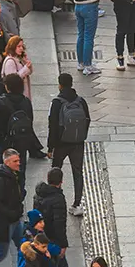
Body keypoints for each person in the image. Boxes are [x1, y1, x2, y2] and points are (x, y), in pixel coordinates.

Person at [48, 73, 90, 209]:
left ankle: (55, 199)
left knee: (56, 170)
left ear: (60, 85)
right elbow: (87, 120)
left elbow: (52, 126)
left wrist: (50, 147)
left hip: (61, 143)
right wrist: (81, 136)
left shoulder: (57, 102)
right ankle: (77, 204)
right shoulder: (81, 101)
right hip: (78, 143)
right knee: (78, 172)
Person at [68, 0, 107, 74]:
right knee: (89, 37)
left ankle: (80, 63)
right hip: (90, 6)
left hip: (78, 6)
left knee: (81, 35)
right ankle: (88, 65)